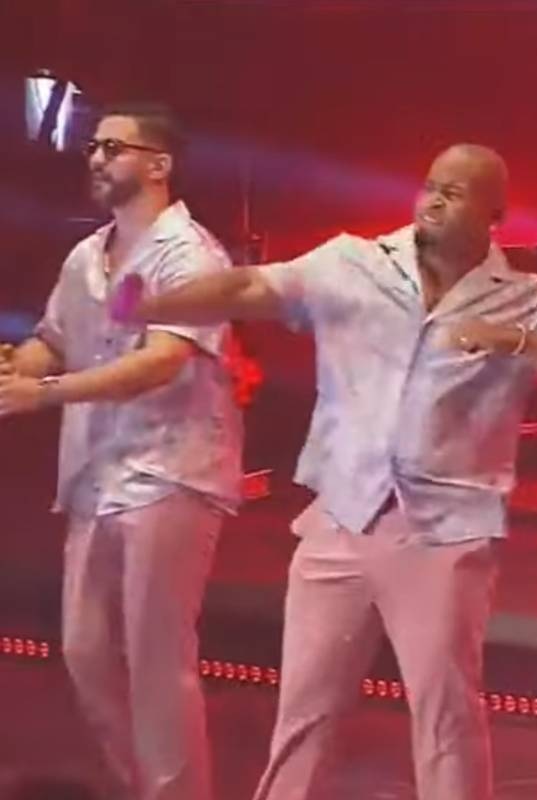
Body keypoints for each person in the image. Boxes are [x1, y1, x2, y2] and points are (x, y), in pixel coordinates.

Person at [118, 142, 537, 800]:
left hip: (443, 535)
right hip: (340, 520)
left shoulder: (520, 299)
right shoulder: (354, 263)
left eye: (456, 191)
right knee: (304, 713)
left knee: (446, 719)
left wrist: (516, 341)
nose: (434, 199)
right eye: (430, 185)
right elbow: (250, 287)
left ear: (495, 214)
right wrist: (152, 305)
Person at [0, 103, 242, 800]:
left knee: (156, 659)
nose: (97, 158)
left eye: (114, 147)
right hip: (95, 477)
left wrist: (47, 393)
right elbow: (53, 339)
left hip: (170, 473)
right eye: (94, 147)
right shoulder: (86, 256)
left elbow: (162, 360)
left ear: (159, 165)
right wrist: (20, 366)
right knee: (84, 650)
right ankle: (137, 786)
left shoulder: (191, 254)